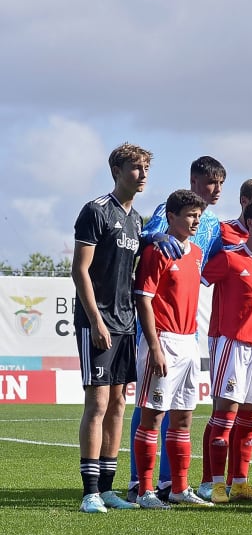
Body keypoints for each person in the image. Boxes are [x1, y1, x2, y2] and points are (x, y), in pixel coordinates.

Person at [127, 156, 226, 501]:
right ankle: (143, 488)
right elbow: (143, 298)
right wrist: (153, 345)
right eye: (190, 216)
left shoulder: (198, 251)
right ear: (171, 217)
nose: (196, 221)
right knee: (151, 416)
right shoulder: (158, 249)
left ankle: (180, 487)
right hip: (163, 341)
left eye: (198, 216)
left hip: (189, 343)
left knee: (183, 418)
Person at [73, 143, 151, 513]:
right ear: (117, 171)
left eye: (145, 167)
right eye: (135, 167)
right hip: (99, 322)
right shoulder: (95, 211)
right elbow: (80, 269)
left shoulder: (138, 220)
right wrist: (95, 320)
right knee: (99, 402)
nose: (143, 174)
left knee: (119, 403)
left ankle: (107, 488)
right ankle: (89, 491)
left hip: (126, 323)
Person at [197, 177, 252, 500]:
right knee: (224, 416)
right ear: (250, 223)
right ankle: (216, 483)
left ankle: (240, 482)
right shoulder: (230, 259)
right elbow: (195, 279)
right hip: (232, 343)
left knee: (251, 419)